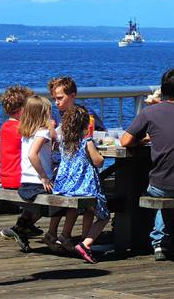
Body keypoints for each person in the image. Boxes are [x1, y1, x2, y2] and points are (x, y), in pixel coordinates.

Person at [120, 68, 174, 261]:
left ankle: (158, 241)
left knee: (159, 186)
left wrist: (143, 140)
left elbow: (125, 141)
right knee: (172, 183)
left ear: (162, 89)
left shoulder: (150, 113)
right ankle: (171, 232)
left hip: (161, 187)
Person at [53, 106, 110, 264]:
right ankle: (86, 244)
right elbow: (99, 162)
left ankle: (77, 238)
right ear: (85, 125)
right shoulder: (87, 141)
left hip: (66, 187)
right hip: (85, 188)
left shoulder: (64, 141)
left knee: (86, 208)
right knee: (104, 216)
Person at [0, 84, 43, 249]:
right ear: (22, 109)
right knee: (55, 188)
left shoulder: (6, 127)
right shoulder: (22, 129)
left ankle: (24, 224)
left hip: (7, 176)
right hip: (20, 178)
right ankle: (21, 227)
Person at [17, 96, 62, 251]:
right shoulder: (43, 133)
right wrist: (43, 176)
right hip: (38, 182)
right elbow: (32, 154)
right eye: (49, 112)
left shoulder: (28, 132)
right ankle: (52, 234)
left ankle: (22, 227)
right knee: (63, 197)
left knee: (47, 202)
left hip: (26, 182)